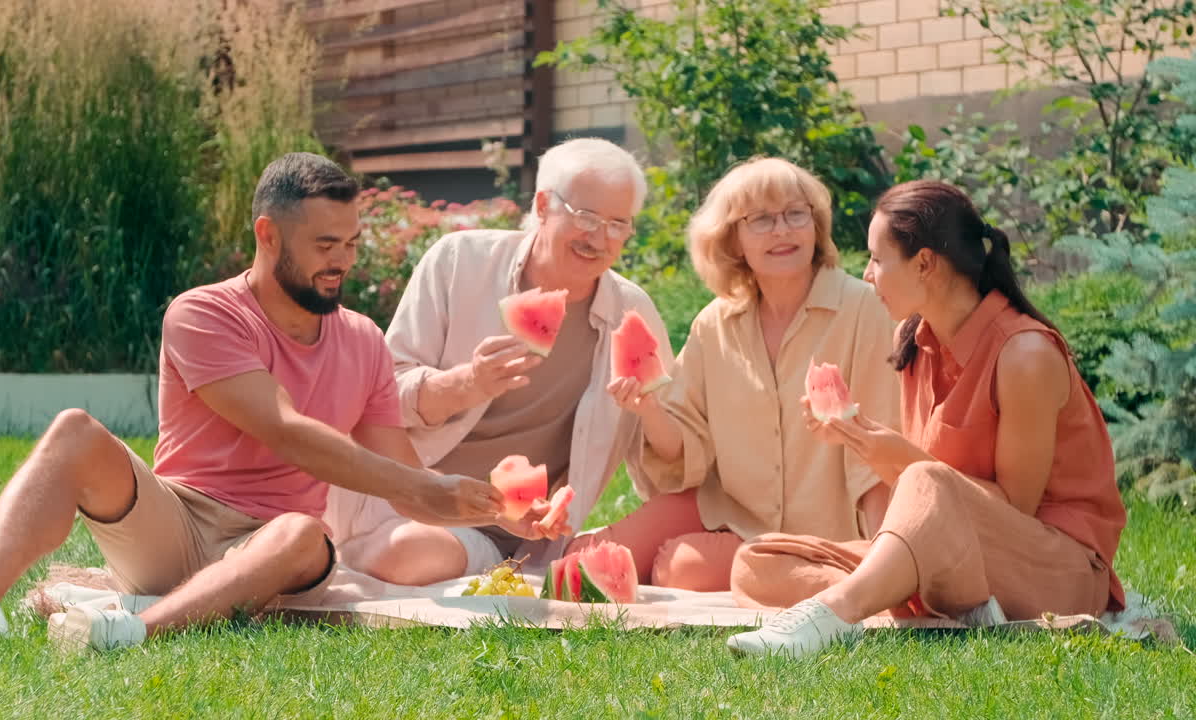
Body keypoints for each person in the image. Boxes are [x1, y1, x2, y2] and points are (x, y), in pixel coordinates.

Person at [0, 153, 503, 652]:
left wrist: (495, 508)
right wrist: (421, 488)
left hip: (274, 548)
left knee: (302, 531)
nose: (343, 261)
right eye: (325, 244)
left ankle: (133, 630)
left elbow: (400, 469)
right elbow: (284, 429)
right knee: (74, 430)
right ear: (267, 234)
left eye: (350, 243)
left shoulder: (363, 339)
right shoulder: (204, 313)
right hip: (176, 523)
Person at [726, 180, 1128, 658]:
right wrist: (866, 443)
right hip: (958, 557)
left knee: (922, 480)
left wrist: (903, 459)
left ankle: (833, 614)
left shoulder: (1025, 355)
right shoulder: (914, 339)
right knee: (757, 561)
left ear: (924, 264)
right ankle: (941, 602)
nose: (867, 274)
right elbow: (931, 497)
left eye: (877, 259)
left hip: (1055, 570)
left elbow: (1013, 508)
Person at [568, 157, 900, 590]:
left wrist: (883, 559)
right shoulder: (714, 324)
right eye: (761, 219)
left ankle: (816, 572)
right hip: (731, 516)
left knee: (679, 568)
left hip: (834, 535)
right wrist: (649, 409)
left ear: (816, 226)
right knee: (580, 565)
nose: (782, 230)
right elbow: (683, 453)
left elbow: (876, 445)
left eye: (796, 214)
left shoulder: (863, 308)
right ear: (733, 239)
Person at [384, 137, 672, 573]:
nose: (600, 238)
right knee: (414, 552)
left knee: (418, 558)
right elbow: (384, 397)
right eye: (586, 218)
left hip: (536, 536)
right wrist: (467, 384)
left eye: (618, 224)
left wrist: (652, 413)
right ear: (542, 205)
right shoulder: (458, 262)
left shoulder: (631, 313)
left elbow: (667, 451)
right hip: (421, 502)